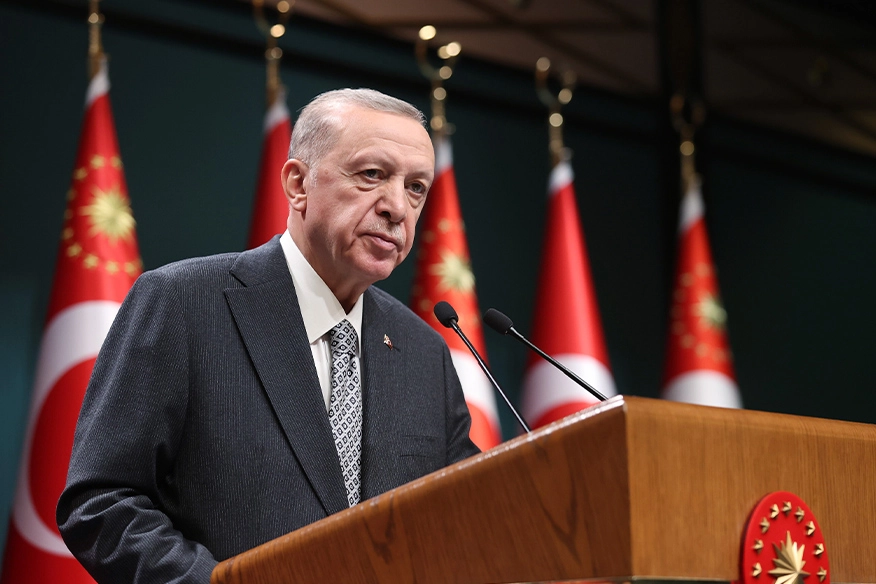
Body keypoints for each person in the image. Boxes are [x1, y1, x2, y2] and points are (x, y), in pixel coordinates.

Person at [56, 88, 480, 584]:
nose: (397, 207)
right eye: (371, 174)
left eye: (416, 188)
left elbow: (466, 516)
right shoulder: (183, 303)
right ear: (298, 184)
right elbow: (101, 502)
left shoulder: (425, 351)